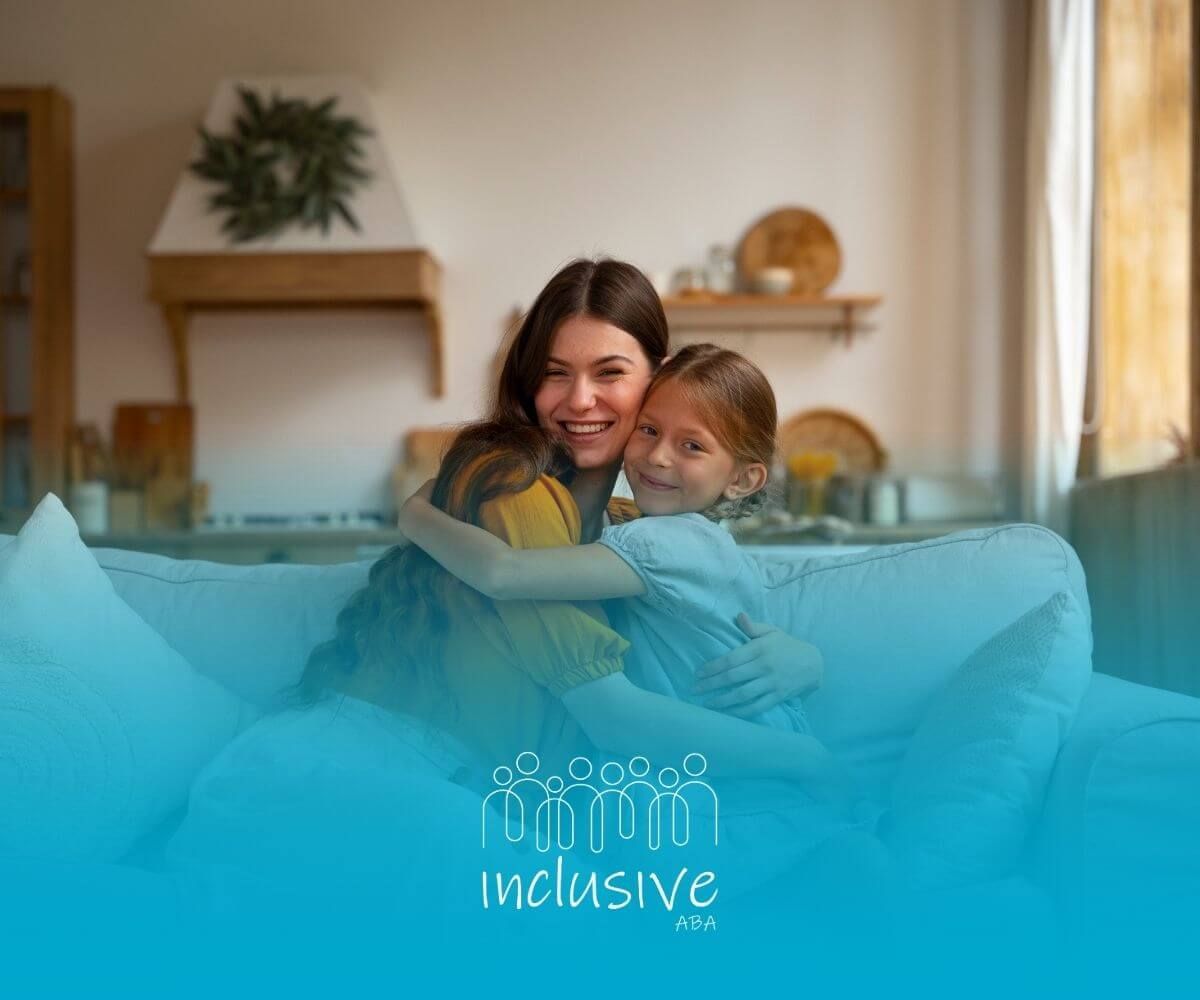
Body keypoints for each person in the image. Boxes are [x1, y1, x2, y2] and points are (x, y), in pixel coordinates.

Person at [298, 258, 846, 803]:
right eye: (555, 373)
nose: (580, 400)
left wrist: (805, 661)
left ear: (657, 379)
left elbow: (708, 612)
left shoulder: (629, 526)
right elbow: (610, 715)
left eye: (609, 372)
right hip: (391, 774)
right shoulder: (517, 492)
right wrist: (806, 756)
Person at [398, 343, 811, 736]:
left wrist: (415, 516)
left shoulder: (673, 544)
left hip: (743, 765)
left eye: (692, 445)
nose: (658, 456)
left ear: (743, 479)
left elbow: (504, 574)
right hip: (739, 747)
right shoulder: (701, 545)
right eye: (648, 429)